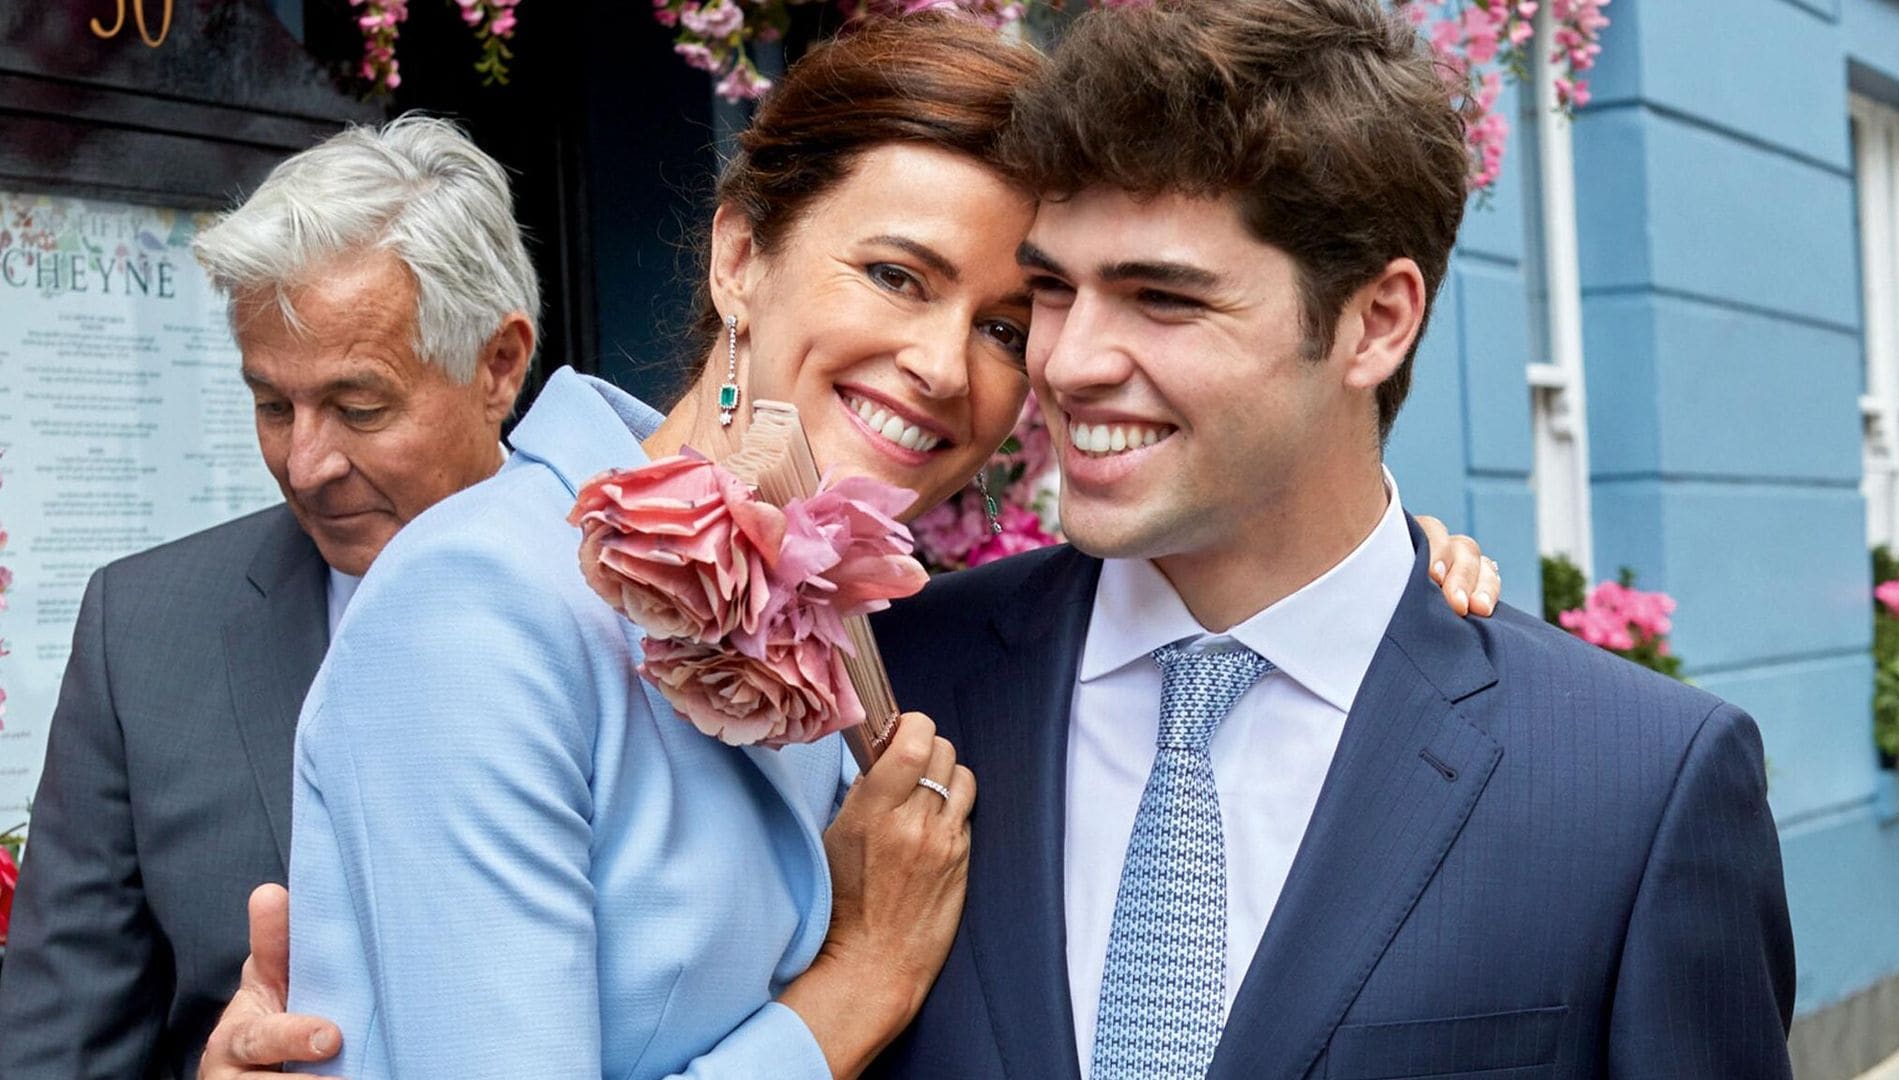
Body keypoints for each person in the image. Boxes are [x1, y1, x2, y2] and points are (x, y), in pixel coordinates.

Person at [195, 14, 1503, 1080]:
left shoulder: (864, 627)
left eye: (1006, 324)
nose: (944, 368)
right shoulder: (485, 600)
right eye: (895, 276)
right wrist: (853, 988)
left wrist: (1368, 577)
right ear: (740, 255)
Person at [865, 3, 1796, 1078]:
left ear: (1377, 321)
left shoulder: (1635, 783)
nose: (1068, 364)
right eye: (1053, 290)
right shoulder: (894, 681)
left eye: (1162, 298)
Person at [0, 115, 537, 1078]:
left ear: (498, 364)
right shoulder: (144, 632)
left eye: (359, 407)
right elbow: (57, 1052)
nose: (305, 464)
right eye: (271, 404)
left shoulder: (667, 600)